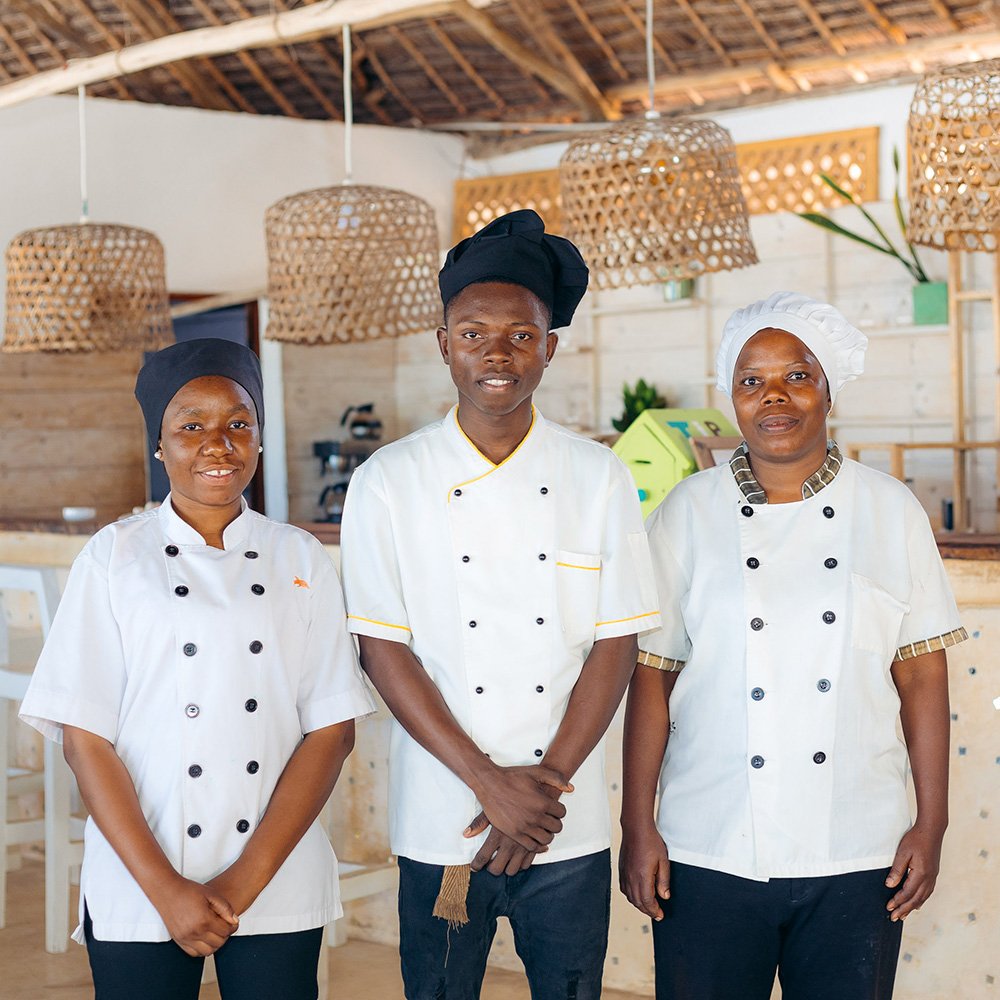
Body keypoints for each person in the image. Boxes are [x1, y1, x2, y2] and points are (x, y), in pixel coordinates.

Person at [340, 209, 660, 1000]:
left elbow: (614, 645)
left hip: (565, 816)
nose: (497, 352)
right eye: (474, 331)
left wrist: (539, 787)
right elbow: (383, 650)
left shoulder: (599, 475)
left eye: (520, 335)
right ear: (443, 342)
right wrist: (490, 785)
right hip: (447, 815)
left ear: (549, 347)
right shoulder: (389, 479)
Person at [620, 291, 966, 1000]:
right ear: (733, 398)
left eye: (798, 376)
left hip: (857, 845)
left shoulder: (890, 508)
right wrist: (638, 826)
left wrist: (931, 823)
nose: (774, 396)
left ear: (829, 391)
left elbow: (924, 680)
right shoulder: (687, 512)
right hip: (705, 841)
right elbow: (651, 680)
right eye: (752, 381)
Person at [19, 338, 375, 1000]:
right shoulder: (114, 557)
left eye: (238, 422)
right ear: (160, 443)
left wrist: (242, 882)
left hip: (274, 870)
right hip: (139, 871)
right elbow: (83, 736)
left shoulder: (299, 557)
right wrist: (167, 890)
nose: (218, 444)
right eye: (192, 426)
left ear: (260, 437)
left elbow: (332, 729)